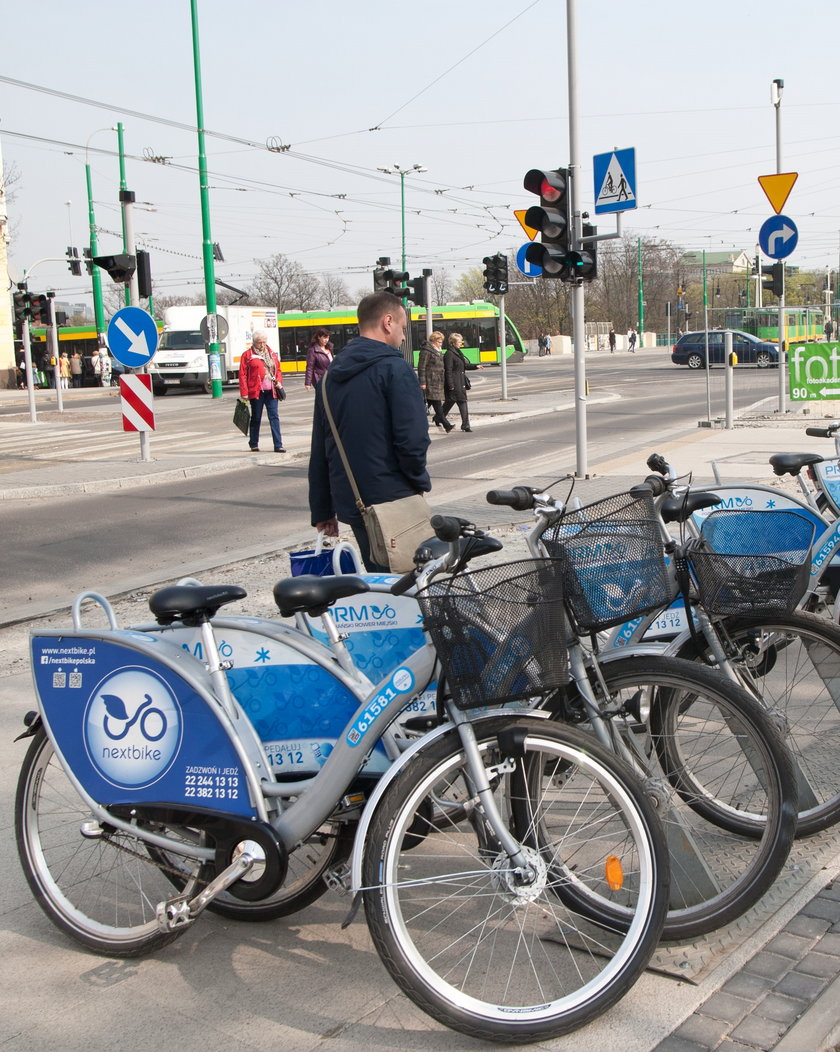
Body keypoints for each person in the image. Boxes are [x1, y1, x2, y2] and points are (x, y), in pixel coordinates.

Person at [308, 291, 430, 571]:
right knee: (413, 590)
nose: (402, 337)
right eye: (402, 328)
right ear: (388, 322)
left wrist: (323, 509)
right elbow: (412, 440)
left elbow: (321, 448)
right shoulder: (395, 369)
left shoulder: (328, 378)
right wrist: (418, 481)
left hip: (354, 503)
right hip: (395, 501)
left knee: (382, 589)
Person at [238, 330, 285, 453]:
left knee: (274, 417)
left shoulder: (271, 353)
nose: (262, 345)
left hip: (272, 391)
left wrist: (279, 382)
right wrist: (244, 392)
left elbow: (278, 370)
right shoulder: (247, 355)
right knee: (256, 418)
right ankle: (253, 443)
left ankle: (278, 445)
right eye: (260, 343)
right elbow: (242, 374)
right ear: (254, 342)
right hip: (257, 391)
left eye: (264, 342)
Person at [442, 332, 481, 432]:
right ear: (453, 343)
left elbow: (464, 366)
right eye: (459, 342)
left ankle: (465, 425)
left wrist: (476, 366)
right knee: (455, 401)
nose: (461, 343)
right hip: (454, 382)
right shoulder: (449, 354)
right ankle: (441, 418)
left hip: (460, 381)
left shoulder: (458, 352)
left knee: (458, 401)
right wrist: (450, 384)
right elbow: (448, 370)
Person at [417, 330, 453, 432]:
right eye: (439, 341)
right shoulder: (426, 351)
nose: (441, 343)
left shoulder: (437, 350)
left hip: (437, 381)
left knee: (429, 403)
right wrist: (422, 382)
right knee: (436, 402)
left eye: (441, 341)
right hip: (430, 381)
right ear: (433, 341)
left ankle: (435, 420)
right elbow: (421, 367)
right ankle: (446, 424)